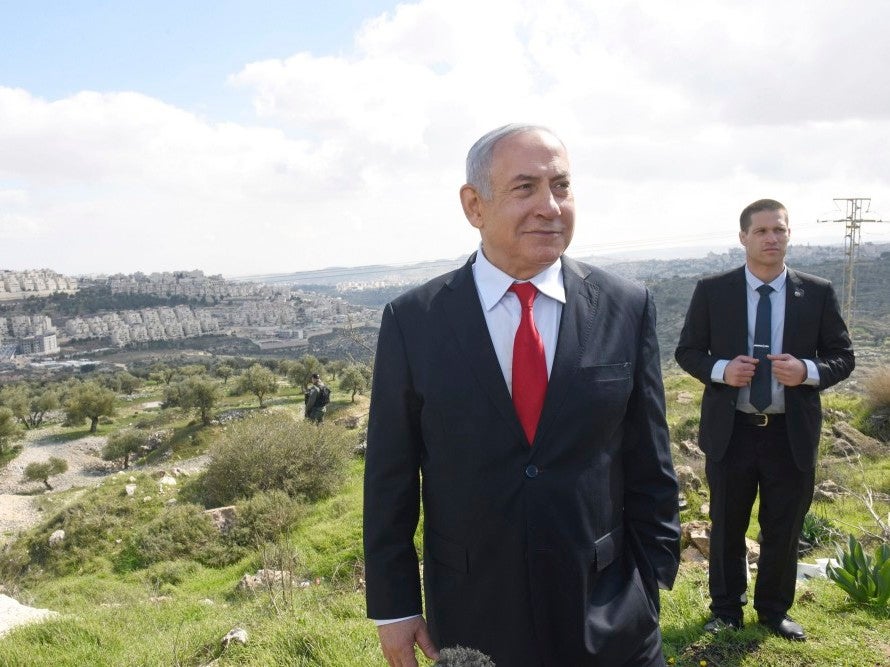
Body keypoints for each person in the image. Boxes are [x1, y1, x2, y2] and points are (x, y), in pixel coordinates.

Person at [363, 124, 681, 666]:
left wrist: (651, 578)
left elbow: (649, 455)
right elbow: (391, 476)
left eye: (561, 186)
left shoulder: (626, 306)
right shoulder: (413, 321)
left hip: (608, 610)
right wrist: (394, 608)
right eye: (524, 188)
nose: (550, 206)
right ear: (474, 205)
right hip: (472, 614)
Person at [675, 199, 854, 641]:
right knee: (727, 527)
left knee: (784, 528)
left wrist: (807, 372)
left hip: (789, 435)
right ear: (743, 238)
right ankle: (726, 611)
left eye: (779, 229)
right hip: (731, 432)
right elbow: (688, 351)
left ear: (789, 234)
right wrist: (721, 371)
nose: (771, 238)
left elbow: (843, 357)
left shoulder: (816, 291)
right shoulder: (713, 290)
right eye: (761, 231)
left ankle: (774, 612)